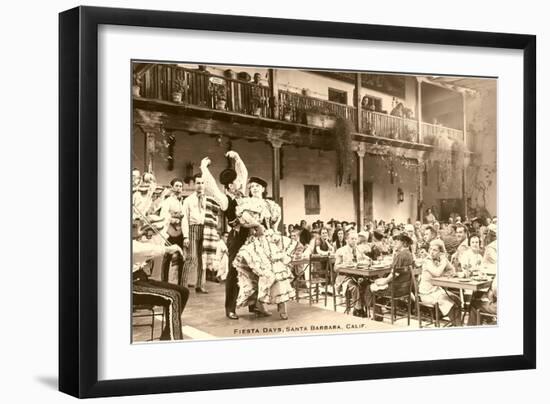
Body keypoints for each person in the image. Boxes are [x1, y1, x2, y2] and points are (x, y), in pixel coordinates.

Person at [233, 176, 295, 320]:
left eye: (257, 186)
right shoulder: (246, 203)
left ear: (263, 189)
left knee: (279, 271)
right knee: (264, 272)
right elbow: (245, 221)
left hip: (270, 240)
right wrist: (257, 225)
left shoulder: (270, 204)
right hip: (255, 241)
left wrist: (274, 232)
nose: (254, 188)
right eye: (252, 186)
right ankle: (260, 305)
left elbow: (273, 224)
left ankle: (282, 305)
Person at [199, 152, 249, 320]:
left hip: (251, 236)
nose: (239, 182)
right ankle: (230, 308)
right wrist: (204, 168)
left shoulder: (242, 195)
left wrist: (237, 158)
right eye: (235, 182)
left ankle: (255, 305)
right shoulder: (225, 199)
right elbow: (211, 187)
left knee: (256, 269)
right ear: (229, 185)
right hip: (237, 238)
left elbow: (243, 173)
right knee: (234, 272)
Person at [132, 217, 189, 340]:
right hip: (132, 284)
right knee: (173, 297)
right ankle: (175, 341)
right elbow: (138, 249)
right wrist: (167, 249)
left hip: (140, 278)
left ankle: (167, 336)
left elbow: (143, 249)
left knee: (183, 292)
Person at [181, 173, 220, 293]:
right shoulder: (188, 200)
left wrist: (214, 231)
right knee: (191, 258)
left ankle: (200, 285)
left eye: (202, 183)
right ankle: (183, 285)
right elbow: (184, 218)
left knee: (203, 259)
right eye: (198, 183)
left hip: (206, 230)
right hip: (193, 229)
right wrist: (186, 236)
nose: (200, 185)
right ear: (194, 184)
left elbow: (215, 216)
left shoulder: (210, 200)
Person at [366, 233, 414, 320]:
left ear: (403, 243)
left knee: (369, 288)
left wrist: (384, 281)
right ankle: (378, 311)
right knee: (378, 283)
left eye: (397, 241)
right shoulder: (409, 254)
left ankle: (376, 316)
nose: (395, 242)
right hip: (405, 289)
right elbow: (396, 271)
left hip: (394, 289)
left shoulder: (400, 255)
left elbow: (394, 274)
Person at [418, 239, 462, 326]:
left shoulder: (440, 260)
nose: (431, 252)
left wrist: (444, 259)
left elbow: (452, 270)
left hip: (437, 290)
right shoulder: (427, 261)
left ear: (440, 252)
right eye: (430, 249)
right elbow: (437, 273)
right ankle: (458, 326)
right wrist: (443, 263)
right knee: (448, 302)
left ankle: (456, 324)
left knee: (457, 299)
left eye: (435, 250)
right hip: (426, 293)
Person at [334, 230, 371, 317]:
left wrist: (368, 260)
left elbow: (365, 258)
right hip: (344, 277)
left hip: (357, 275)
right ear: (347, 239)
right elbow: (335, 268)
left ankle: (365, 306)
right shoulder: (341, 251)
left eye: (355, 239)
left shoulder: (358, 250)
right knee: (355, 287)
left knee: (367, 284)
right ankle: (358, 309)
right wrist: (345, 265)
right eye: (352, 239)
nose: (354, 241)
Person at [159, 178, 185, 283]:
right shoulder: (167, 201)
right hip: (170, 231)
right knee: (167, 256)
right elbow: (163, 215)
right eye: (177, 186)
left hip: (180, 232)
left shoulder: (182, 201)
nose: (178, 188)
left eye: (180, 186)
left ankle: (179, 282)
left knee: (181, 256)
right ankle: (164, 281)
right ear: (172, 187)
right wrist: (173, 218)